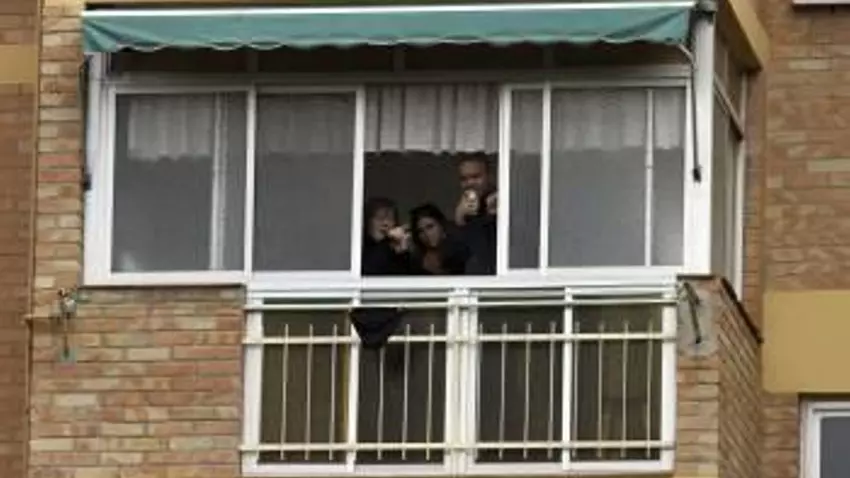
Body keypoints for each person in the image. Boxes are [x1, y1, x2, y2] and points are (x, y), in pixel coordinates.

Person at [452, 154, 497, 275]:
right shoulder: (465, 210)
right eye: (464, 179)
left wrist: (491, 216)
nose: (470, 183)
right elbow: (456, 260)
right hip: (474, 282)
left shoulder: (503, 203)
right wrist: (459, 221)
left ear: (490, 177)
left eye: (476, 177)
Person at [409, 203, 467, 275]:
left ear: (441, 225)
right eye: (420, 231)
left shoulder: (460, 251)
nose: (426, 234)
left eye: (430, 227)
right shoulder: (416, 260)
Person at [361, 197, 413, 276]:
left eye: (390, 219)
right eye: (380, 218)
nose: (385, 223)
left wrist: (402, 253)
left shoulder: (394, 247)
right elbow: (368, 269)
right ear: (368, 221)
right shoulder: (358, 245)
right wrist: (388, 246)